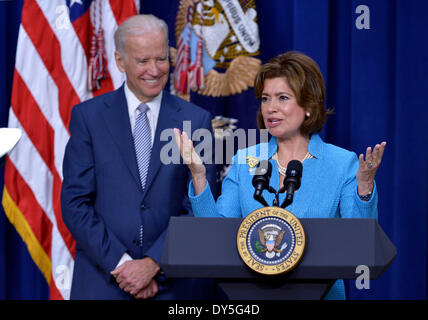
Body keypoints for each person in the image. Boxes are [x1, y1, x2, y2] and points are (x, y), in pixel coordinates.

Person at [175, 51, 386, 300]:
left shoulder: (341, 163)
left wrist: (365, 186)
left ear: (308, 105)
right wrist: (198, 176)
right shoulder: (245, 160)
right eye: (265, 99)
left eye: (282, 98)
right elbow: (215, 238)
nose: (271, 109)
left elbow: (359, 243)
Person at [61, 14, 217, 299]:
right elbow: (75, 203)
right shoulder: (88, 118)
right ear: (120, 61)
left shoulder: (197, 121)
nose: (155, 70)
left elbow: (199, 205)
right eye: (143, 61)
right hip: (104, 282)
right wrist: (123, 266)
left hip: (174, 286)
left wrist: (154, 264)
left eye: (161, 59)